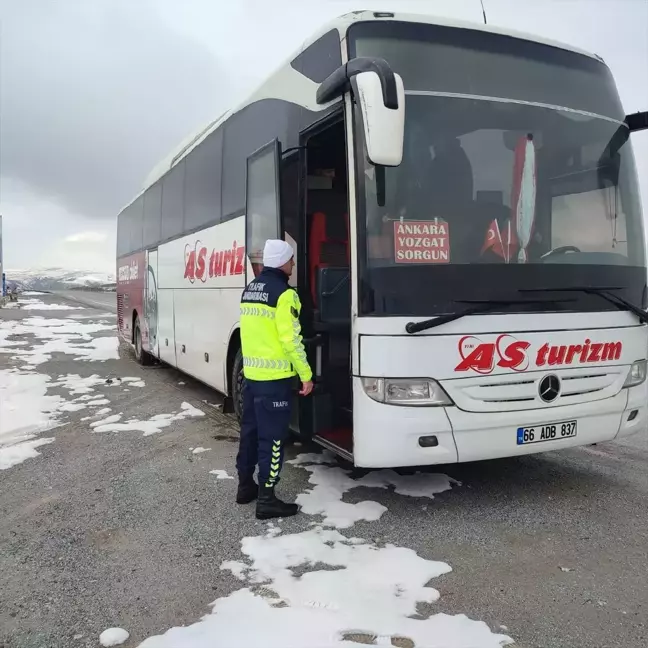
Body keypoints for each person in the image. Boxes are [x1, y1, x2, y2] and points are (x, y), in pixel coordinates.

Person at [236, 239, 314, 519]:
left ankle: (246, 487)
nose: (293, 264)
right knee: (273, 439)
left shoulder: (251, 289)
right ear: (282, 261)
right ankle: (267, 499)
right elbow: (291, 339)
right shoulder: (284, 294)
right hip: (275, 379)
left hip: (252, 376)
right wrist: (306, 375)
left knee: (250, 433)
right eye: (291, 259)